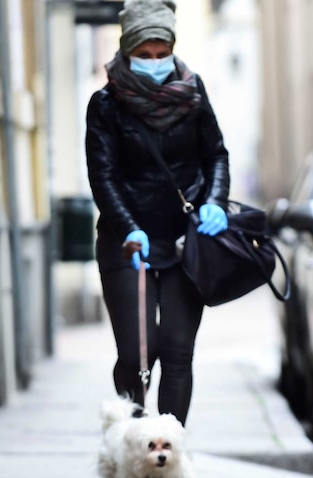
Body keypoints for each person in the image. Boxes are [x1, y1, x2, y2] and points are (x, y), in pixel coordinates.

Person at [85, 0, 230, 426]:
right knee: (136, 354)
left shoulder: (194, 91)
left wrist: (214, 203)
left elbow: (216, 156)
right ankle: (133, 445)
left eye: (161, 53)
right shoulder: (106, 104)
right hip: (127, 243)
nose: (154, 62)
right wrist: (128, 227)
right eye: (144, 55)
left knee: (178, 351)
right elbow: (103, 176)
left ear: (172, 49)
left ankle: (169, 454)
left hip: (188, 241)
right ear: (127, 52)